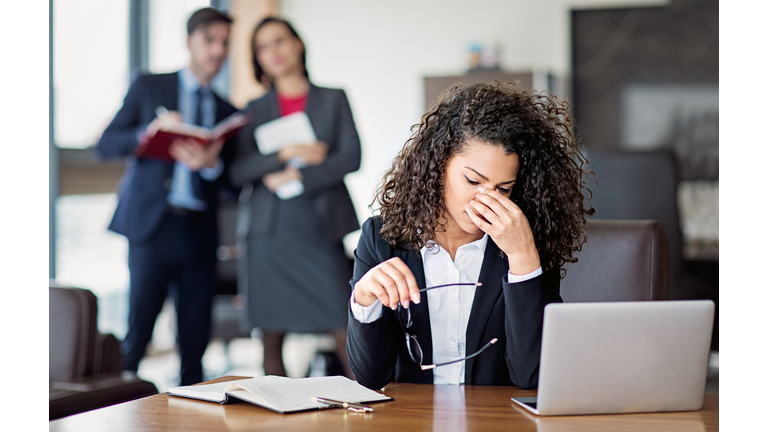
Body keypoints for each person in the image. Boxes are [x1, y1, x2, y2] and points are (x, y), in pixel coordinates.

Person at [346, 81, 594, 390]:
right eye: (473, 180)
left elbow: (532, 376)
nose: (486, 200)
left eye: (503, 189)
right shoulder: (381, 237)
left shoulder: (528, 242)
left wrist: (522, 259)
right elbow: (370, 378)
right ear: (438, 166)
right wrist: (365, 299)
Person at [95, 8, 238, 386]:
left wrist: (211, 165)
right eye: (210, 40)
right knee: (139, 330)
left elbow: (235, 186)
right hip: (152, 227)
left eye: (224, 43)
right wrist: (148, 133)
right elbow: (106, 144)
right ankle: (116, 403)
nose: (218, 50)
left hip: (198, 232)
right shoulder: (149, 87)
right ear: (190, 41)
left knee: (195, 339)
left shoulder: (227, 111)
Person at [229, 17, 360, 378]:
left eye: (279, 41)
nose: (273, 52)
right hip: (268, 231)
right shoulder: (253, 109)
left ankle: (368, 409)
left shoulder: (333, 98)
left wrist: (300, 174)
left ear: (298, 44)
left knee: (342, 321)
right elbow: (239, 170)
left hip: (319, 224)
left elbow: (351, 156)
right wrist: (286, 154)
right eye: (262, 47)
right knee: (271, 336)